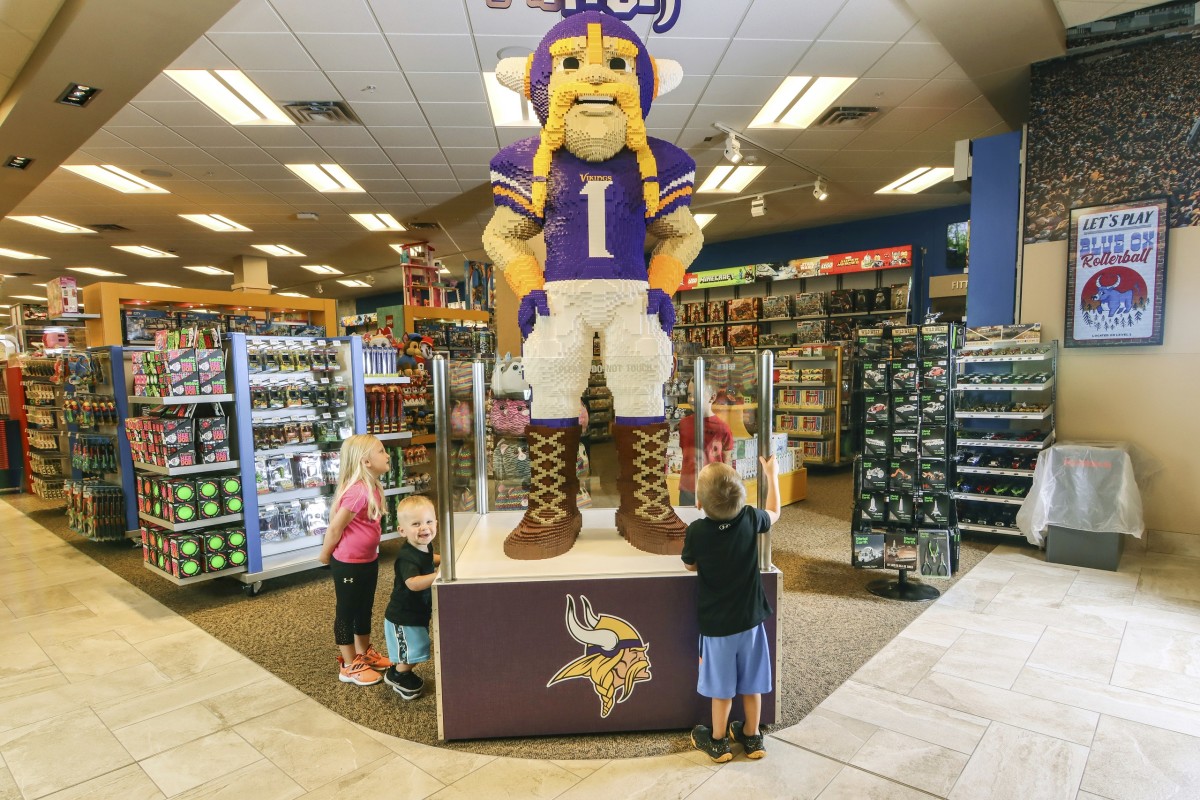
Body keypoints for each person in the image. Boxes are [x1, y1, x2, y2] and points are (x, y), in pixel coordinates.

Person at [681, 456, 780, 762]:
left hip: (717, 627)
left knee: (721, 688)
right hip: (751, 621)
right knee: (752, 684)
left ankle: (718, 740)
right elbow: (775, 512)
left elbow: (689, 565)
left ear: (699, 502)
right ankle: (752, 737)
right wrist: (771, 475)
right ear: (742, 498)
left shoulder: (697, 531)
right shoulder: (750, 517)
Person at [317, 434, 393, 686]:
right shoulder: (358, 492)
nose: (387, 455)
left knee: (364, 608)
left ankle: (364, 653)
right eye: (381, 451)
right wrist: (325, 554)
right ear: (366, 461)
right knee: (347, 611)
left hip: (368, 560)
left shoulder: (372, 487)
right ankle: (349, 664)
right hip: (348, 563)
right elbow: (335, 529)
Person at [382, 495, 440, 700]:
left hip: (418, 611)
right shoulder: (407, 556)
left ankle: (401, 669)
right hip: (403, 615)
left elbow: (428, 558)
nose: (424, 528)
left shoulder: (425, 545)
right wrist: (438, 575)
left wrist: (442, 559)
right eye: (416, 524)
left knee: (420, 646)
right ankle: (397, 674)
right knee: (413, 651)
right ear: (402, 530)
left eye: (429, 522)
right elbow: (413, 583)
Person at [677, 378, 734, 507]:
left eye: (696, 395)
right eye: (689, 394)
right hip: (688, 487)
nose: (691, 399)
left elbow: (727, 460)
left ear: (712, 397)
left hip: (713, 487)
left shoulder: (722, 428)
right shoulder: (684, 424)